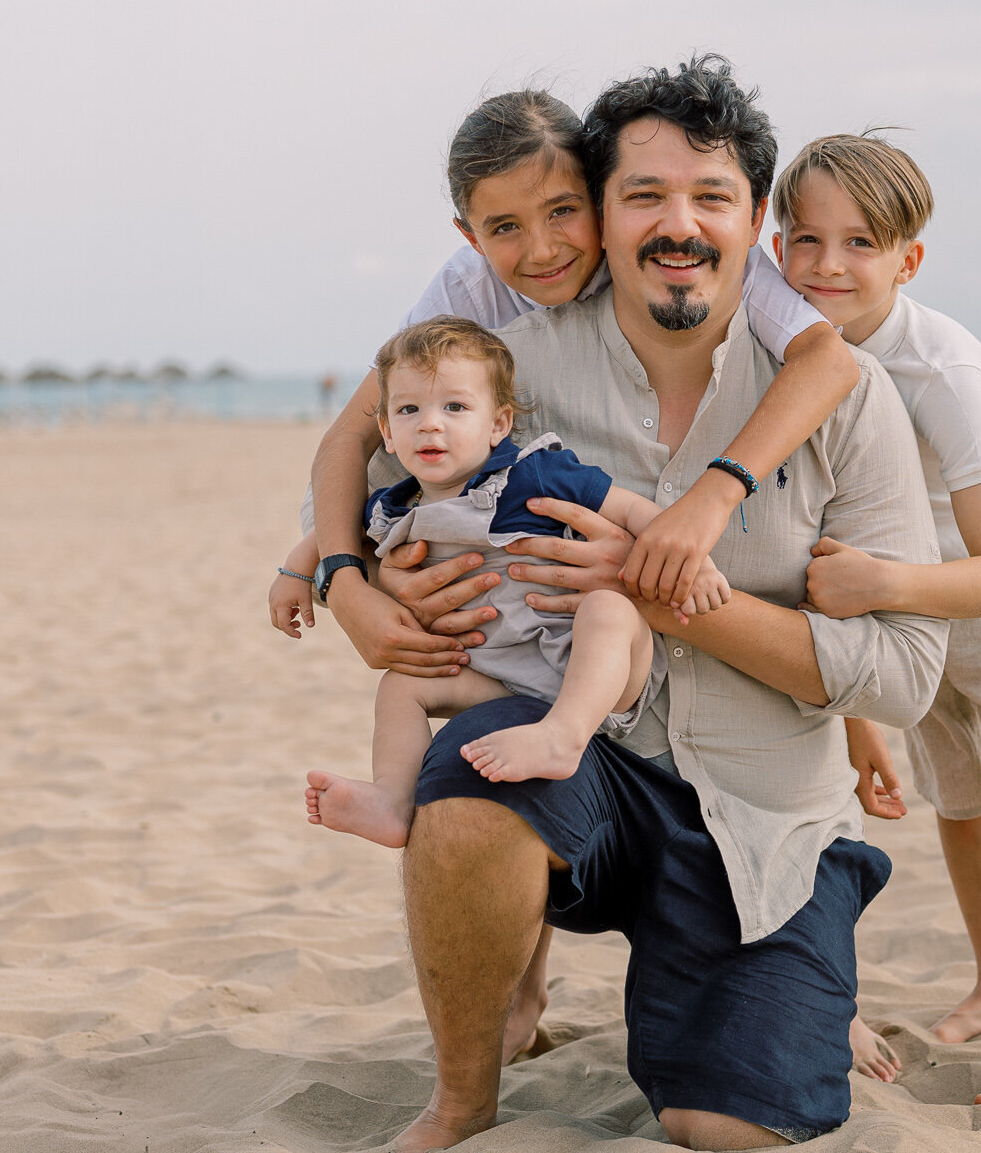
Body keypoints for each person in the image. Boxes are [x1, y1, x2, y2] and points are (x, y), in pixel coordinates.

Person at [363, 55, 947, 1153]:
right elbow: (385, 471)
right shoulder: (506, 371)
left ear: (754, 219)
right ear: (601, 210)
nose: (676, 224)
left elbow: (905, 675)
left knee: (728, 1124)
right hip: (588, 756)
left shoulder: (847, 398)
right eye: (642, 195)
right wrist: (362, 578)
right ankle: (463, 1095)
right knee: (468, 781)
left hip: (766, 814)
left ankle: (785, 989)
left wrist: (660, 589)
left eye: (709, 197)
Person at [268, 84, 857, 1063]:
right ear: (468, 232)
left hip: (645, 638)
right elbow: (361, 441)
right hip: (510, 612)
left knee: (583, 666)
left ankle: (780, 976)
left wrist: (704, 503)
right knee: (479, 739)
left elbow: (826, 359)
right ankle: (512, 992)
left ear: (595, 192)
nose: (542, 247)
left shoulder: (700, 265)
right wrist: (343, 581)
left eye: (561, 213)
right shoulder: (469, 294)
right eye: (505, 227)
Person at [771, 132, 981, 1104]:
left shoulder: (937, 366)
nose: (828, 264)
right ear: (775, 245)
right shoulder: (788, 348)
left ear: (905, 259)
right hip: (889, 580)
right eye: (805, 238)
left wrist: (883, 587)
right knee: (956, 786)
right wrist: (864, 709)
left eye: (859, 242)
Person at [291, 314, 727, 847]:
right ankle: (392, 800)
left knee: (609, 610)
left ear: (497, 424)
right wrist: (294, 572)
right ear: (386, 431)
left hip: (585, 665)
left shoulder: (530, 472)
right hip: (495, 676)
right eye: (409, 410)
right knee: (400, 687)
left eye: (455, 407)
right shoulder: (393, 504)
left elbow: (632, 508)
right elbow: (332, 535)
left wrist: (692, 558)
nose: (430, 424)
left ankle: (563, 737)